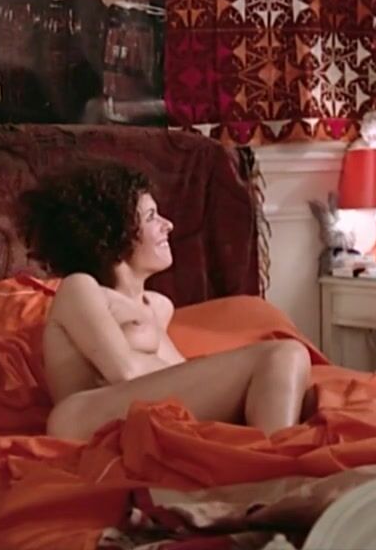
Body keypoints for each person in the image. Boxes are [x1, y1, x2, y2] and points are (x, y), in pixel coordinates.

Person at [20, 161, 312, 441]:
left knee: (288, 363)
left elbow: (179, 379)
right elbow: (124, 371)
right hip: (81, 417)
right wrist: (236, 372)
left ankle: (270, 457)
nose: (168, 225)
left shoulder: (159, 306)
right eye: (151, 217)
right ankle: (273, 462)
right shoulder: (81, 288)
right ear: (112, 234)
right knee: (282, 355)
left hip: (137, 407)